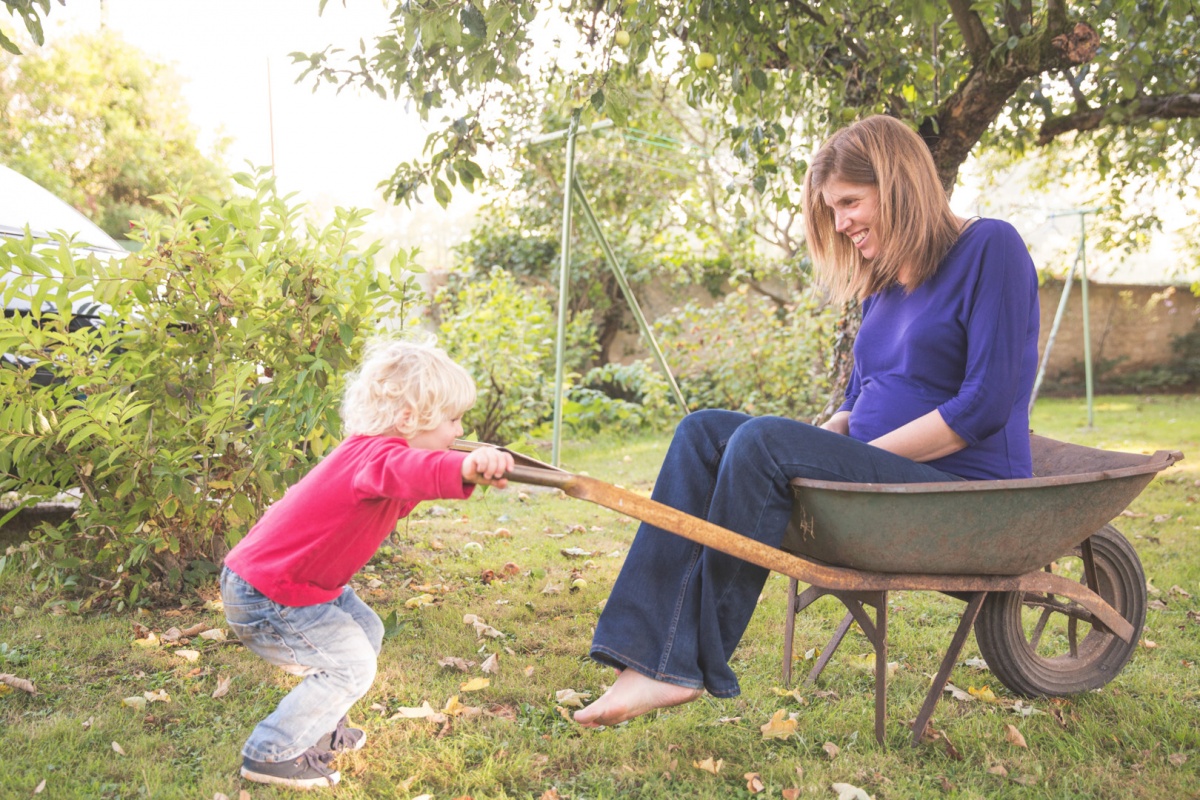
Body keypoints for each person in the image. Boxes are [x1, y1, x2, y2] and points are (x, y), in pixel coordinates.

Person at [574, 115, 1040, 727]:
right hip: (885, 478)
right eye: (833, 207)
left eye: (850, 201)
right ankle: (645, 659)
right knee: (705, 432)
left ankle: (684, 664)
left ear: (898, 184)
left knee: (764, 440)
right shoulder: (885, 283)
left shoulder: (990, 248)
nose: (841, 222)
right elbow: (855, 402)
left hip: (958, 493)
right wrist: (813, 451)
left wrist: (830, 462)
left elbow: (983, 405)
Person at [220, 338, 514, 789]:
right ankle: (271, 754)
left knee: (368, 630)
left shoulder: (368, 454)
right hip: (268, 594)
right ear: (409, 419)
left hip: (296, 584)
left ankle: (318, 727)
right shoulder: (379, 457)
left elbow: (407, 481)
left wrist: (464, 468)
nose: (458, 431)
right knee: (350, 665)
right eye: (453, 419)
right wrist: (465, 469)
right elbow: (414, 471)